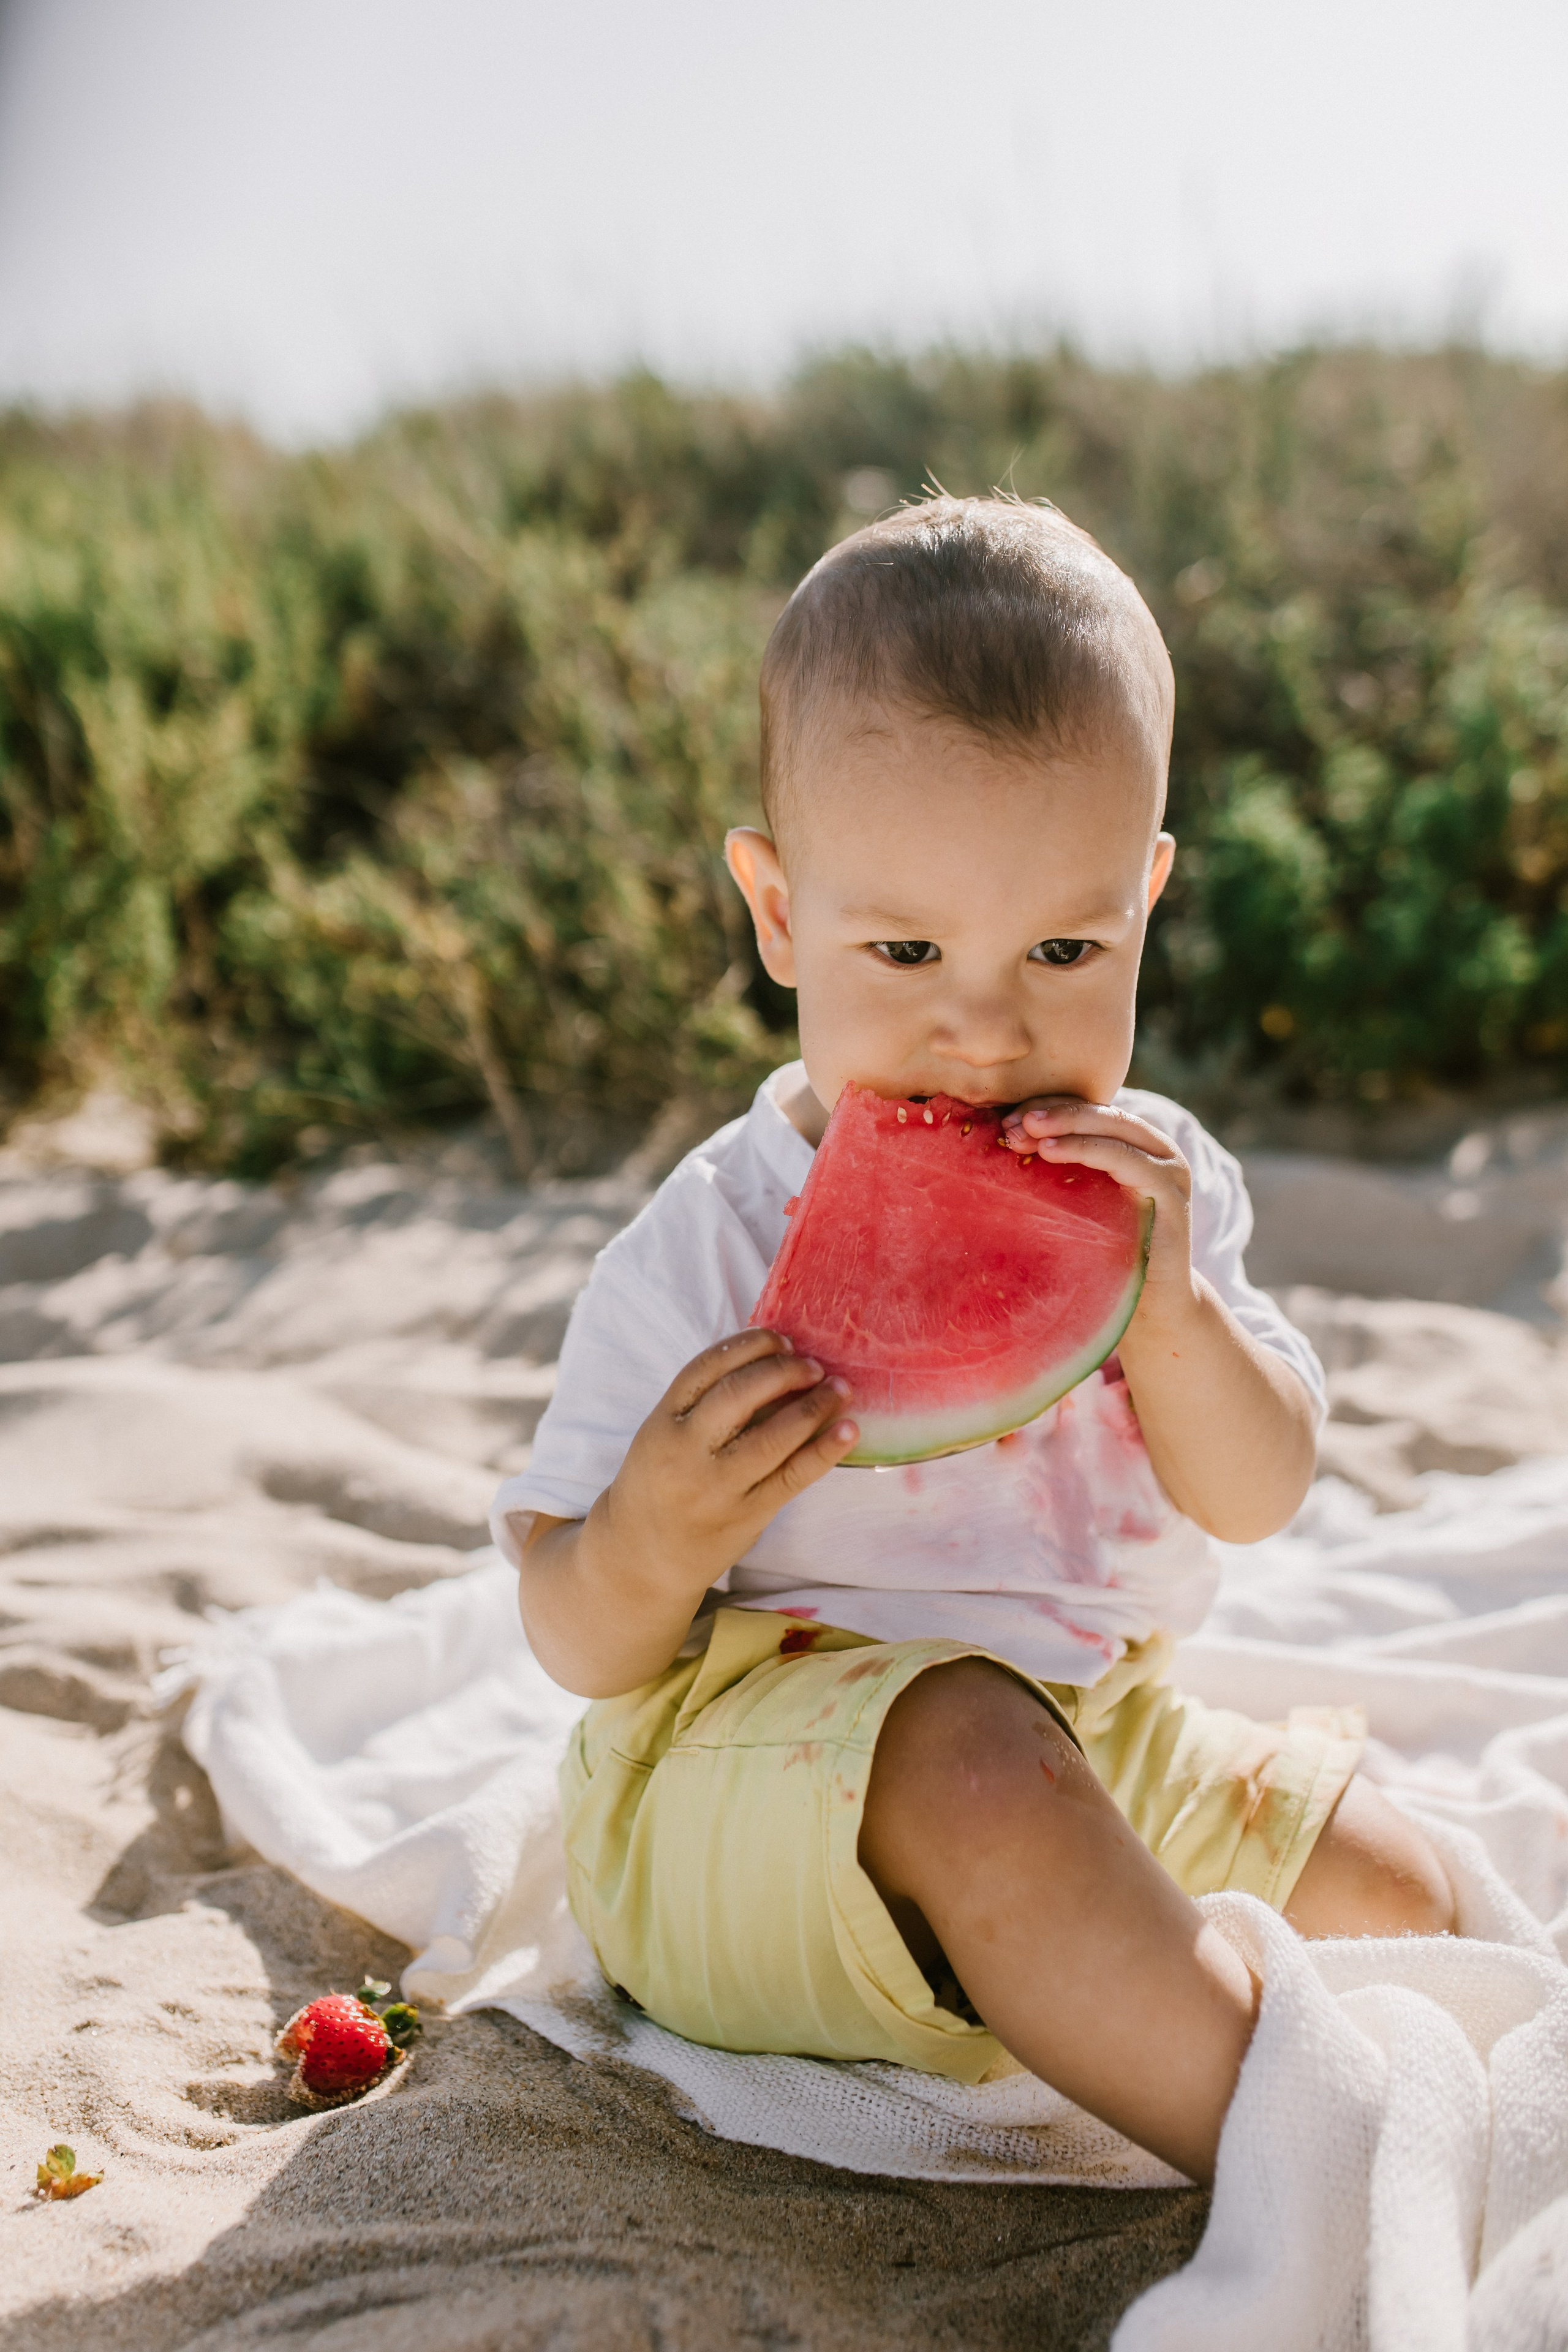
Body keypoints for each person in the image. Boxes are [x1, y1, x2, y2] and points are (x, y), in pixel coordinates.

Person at [490, 495, 1454, 2188]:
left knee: (1401, 1889)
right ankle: (1315, 2164)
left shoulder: (1157, 1192)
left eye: (1065, 949)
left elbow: (1258, 1493)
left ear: (1146, 898)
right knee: (970, 1753)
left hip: (1089, 1731)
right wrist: (649, 1531)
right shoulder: (715, 1238)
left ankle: (1108, 1988)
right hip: (733, 1797)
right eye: (907, 950)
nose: (989, 1029)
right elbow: (574, 1634)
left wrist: (1172, 1311)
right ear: (778, 914)